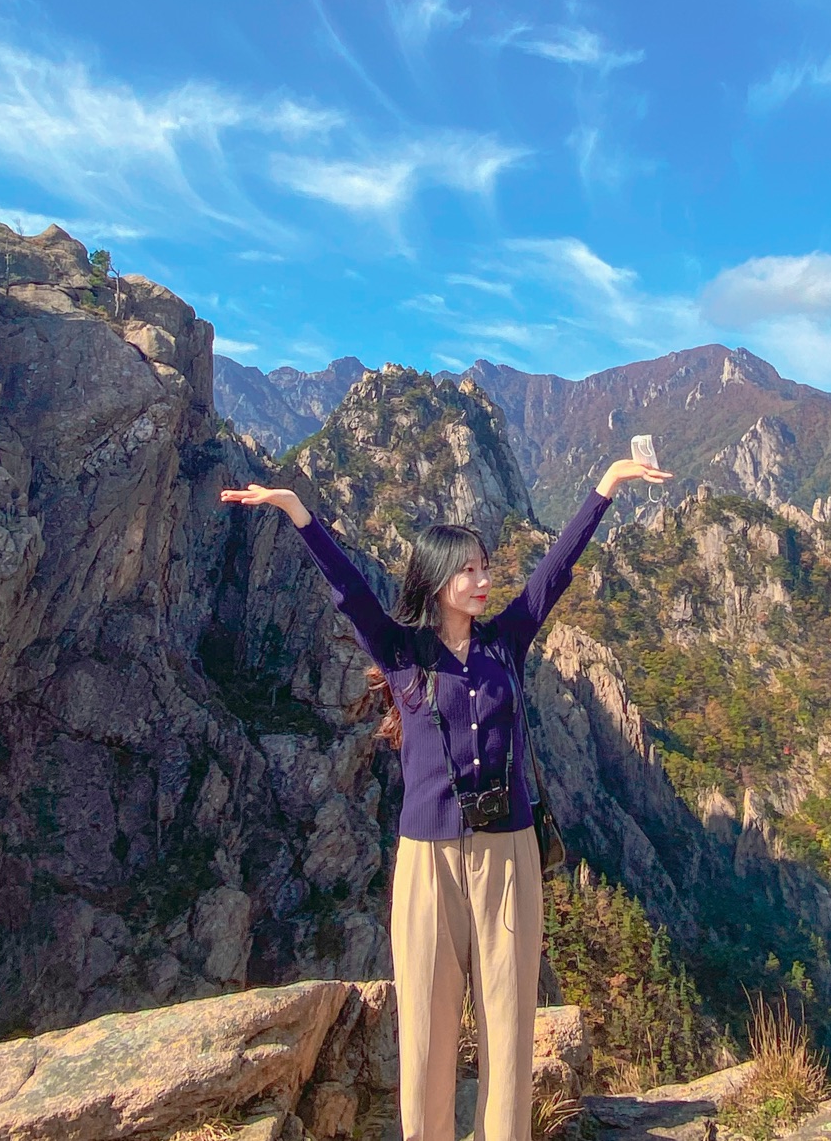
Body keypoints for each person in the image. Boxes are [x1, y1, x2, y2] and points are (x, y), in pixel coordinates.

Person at [220, 451, 670, 1141]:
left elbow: (555, 570)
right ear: (435, 579)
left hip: (508, 854)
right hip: (427, 858)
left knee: (508, 1015)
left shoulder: (506, 643)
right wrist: (295, 511)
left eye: (485, 567)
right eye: (468, 569)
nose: (484, 579)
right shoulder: (403, 654)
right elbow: (348, 590)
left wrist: (606, 486)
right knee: (427, 1024)